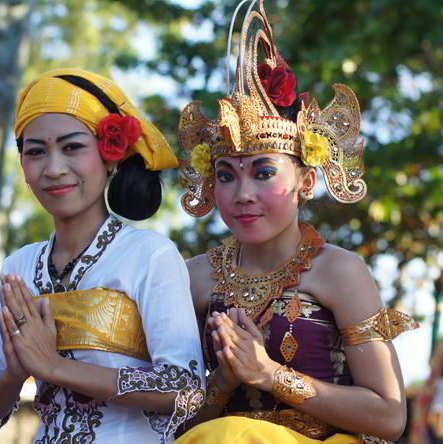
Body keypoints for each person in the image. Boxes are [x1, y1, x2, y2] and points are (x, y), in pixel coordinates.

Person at [173, 1, 417, 443]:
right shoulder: (193, 277)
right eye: (226, 175)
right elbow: (168, 422)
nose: (242, 194)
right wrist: (222, 385)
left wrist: (269, 375)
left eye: (264, 173)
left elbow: (389, 416)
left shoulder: (338, 271)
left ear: (306, 181)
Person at [0, 68, 205, 443]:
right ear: (23, 166)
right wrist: (13, 375)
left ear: (111, 156)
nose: (53, 169)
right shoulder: (18, 267)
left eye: (72, 147)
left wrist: (52, 365)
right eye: (36, 152)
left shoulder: (149, 255)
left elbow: (186, 390)